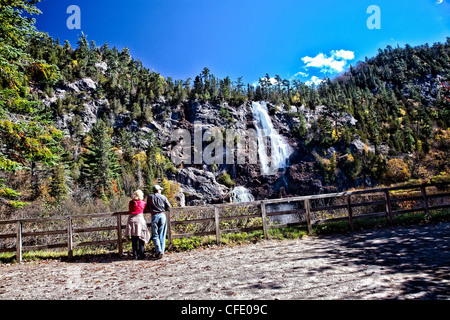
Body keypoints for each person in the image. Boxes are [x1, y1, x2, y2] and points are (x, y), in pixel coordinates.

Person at [145, 185, 171, 259]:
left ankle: (158, 250)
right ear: (158, 190)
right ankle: (161, 252)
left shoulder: (150, 197)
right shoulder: (163, 197)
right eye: (160, 189)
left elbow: (147, 207)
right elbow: (168, 207)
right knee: (162, 234)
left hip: (154, 216)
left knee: (155, 235)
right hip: (162, 216)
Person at [125, 189, 150, 260]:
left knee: (134, 239)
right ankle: (141, 254)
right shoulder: (142, 203)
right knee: (141, 237)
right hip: (139, 219)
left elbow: (130, 210)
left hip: (131, 220)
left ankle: (135, 255)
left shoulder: (131, 203)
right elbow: (145, 209)